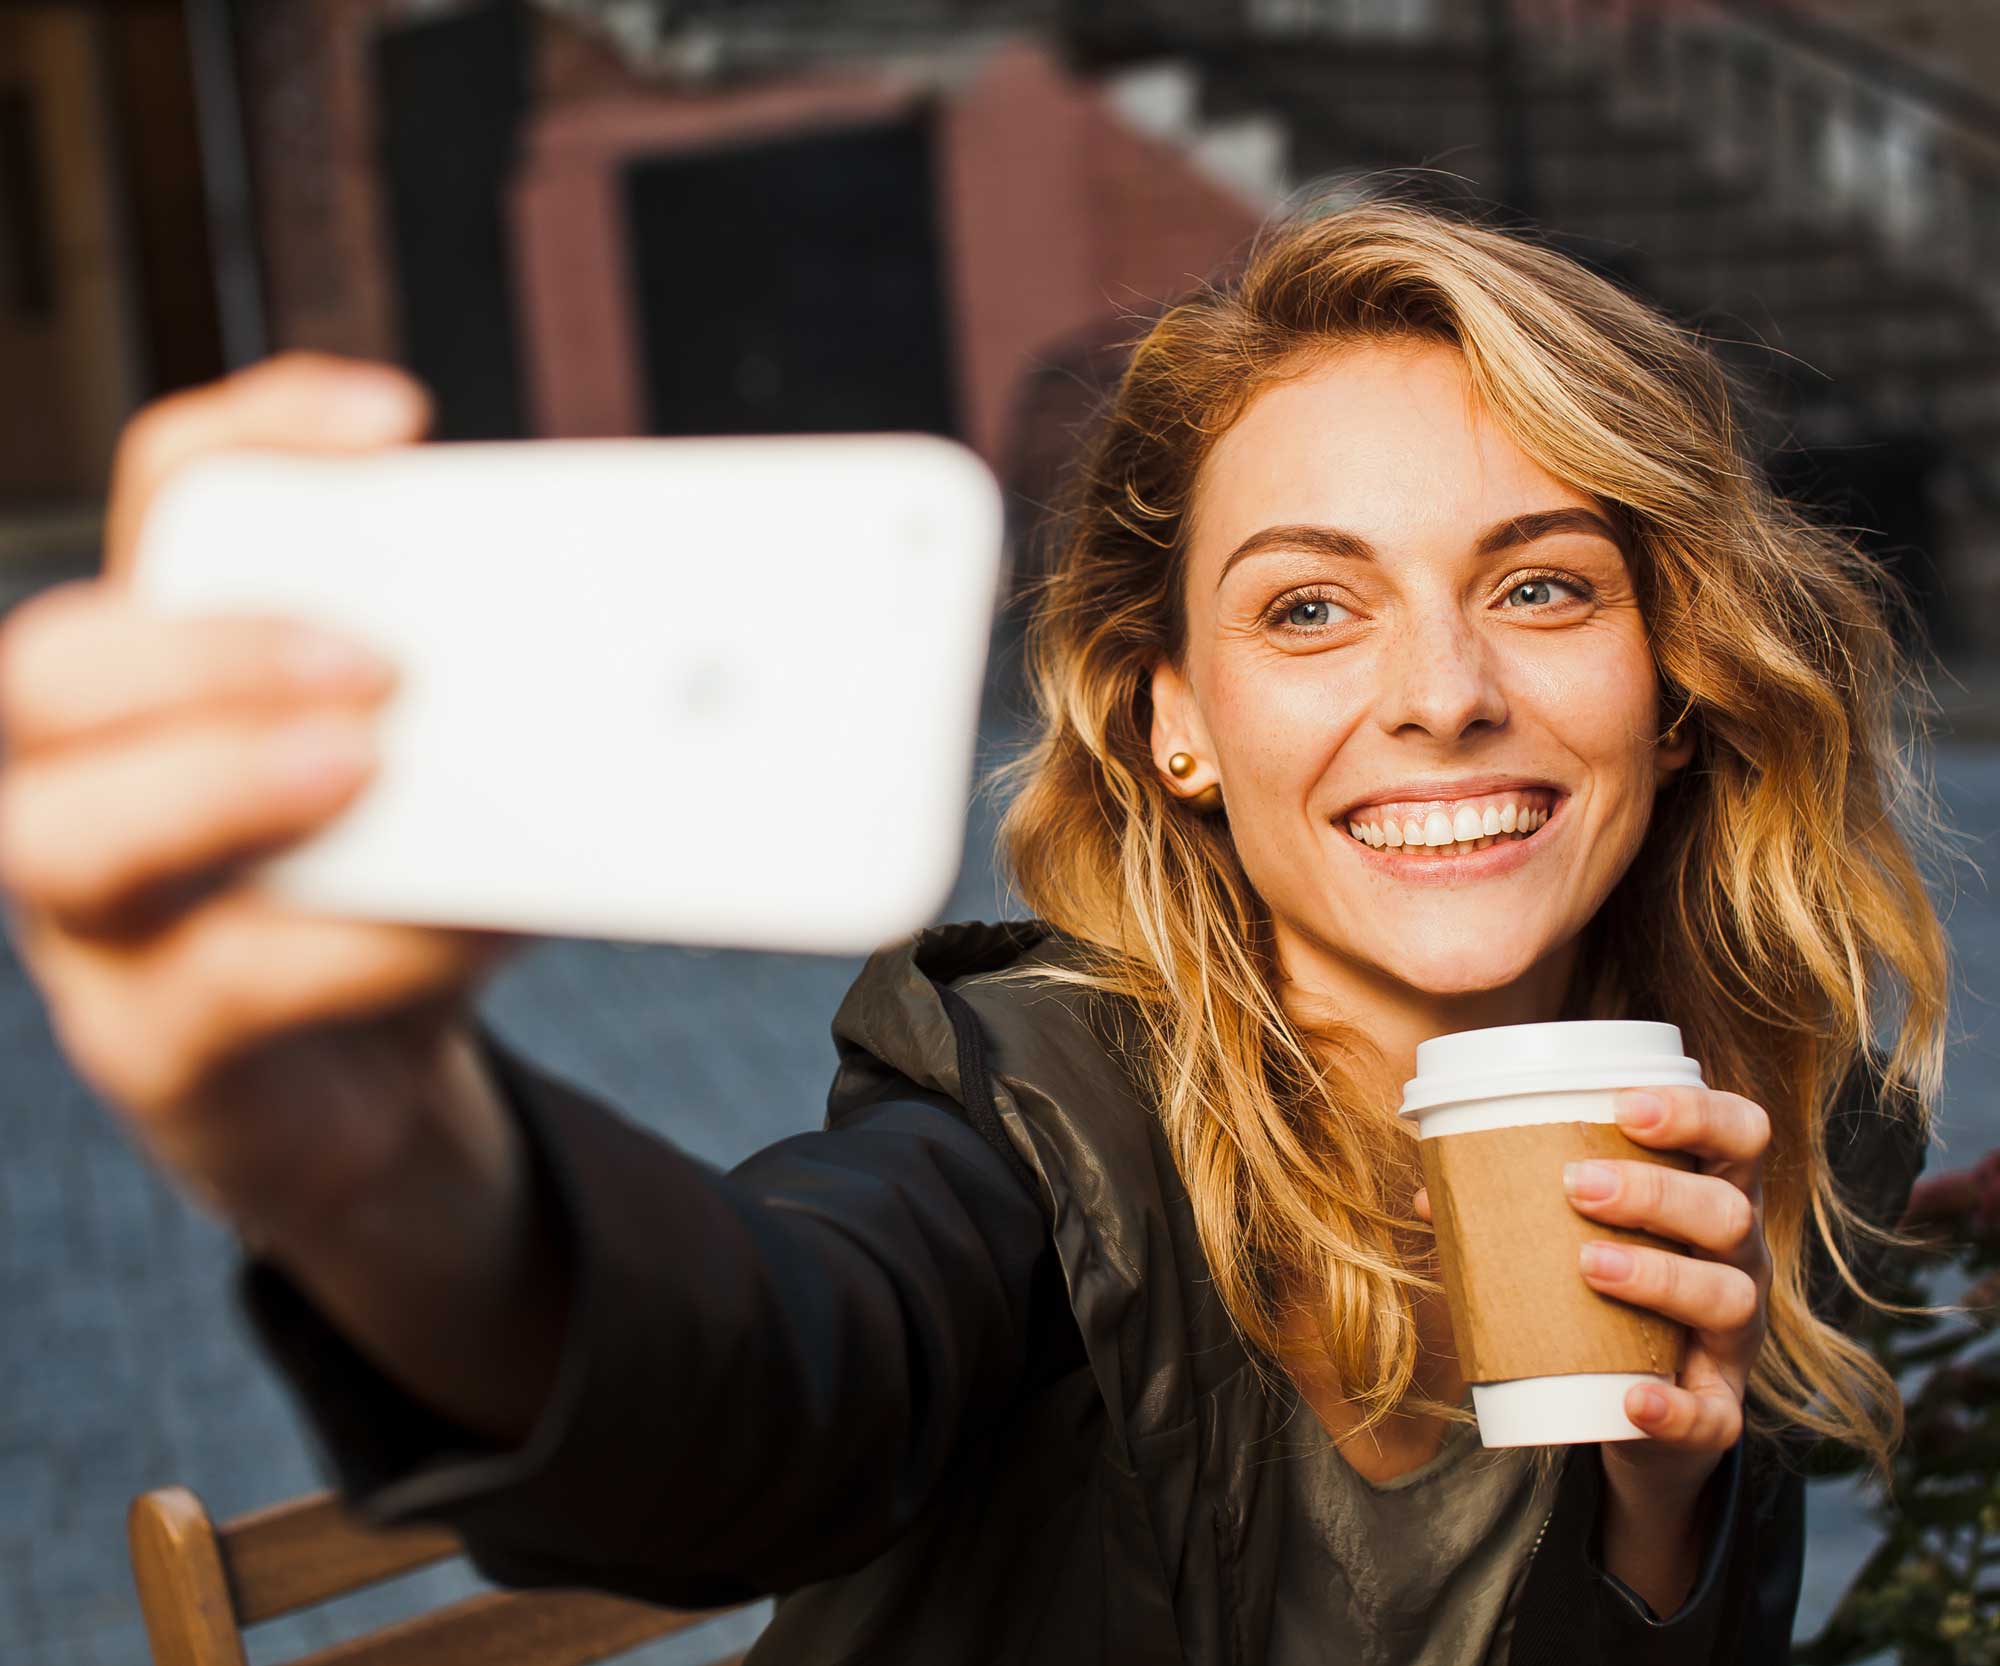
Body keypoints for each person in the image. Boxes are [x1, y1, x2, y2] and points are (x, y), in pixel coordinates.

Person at [0, 194, 1949, 1665]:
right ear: (1171, 718)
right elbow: (765, 1378)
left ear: (1674, 678)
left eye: (1538, 585)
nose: (1439, 690)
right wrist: (395, 1162)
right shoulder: (1030, 1117)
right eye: (1305, 607)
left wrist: (1665, 1514)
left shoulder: (1754, 1113)